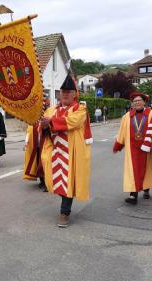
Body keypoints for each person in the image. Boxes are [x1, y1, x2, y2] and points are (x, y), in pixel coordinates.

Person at [39, 75, 92, 228]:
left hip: (71, 152)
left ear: (75, 94)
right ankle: (64, 205)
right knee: (54, 179)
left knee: (68, 181)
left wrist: (50, 122)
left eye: (69, 92)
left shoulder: (80, 109)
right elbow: (43, 126)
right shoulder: (50, 109)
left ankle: (65, 212)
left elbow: (72, 122)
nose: (65, 94)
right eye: (63, 92)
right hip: (54, 151)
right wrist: (42, 125)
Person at [113, 92, 152, 204]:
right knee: (132, 171)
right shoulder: (127, 117)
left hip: (147, 148)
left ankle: (146, 189)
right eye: (135, 101)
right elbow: (122, 132)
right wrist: (118, 145)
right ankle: (133, 195)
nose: (137, 102)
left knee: (147, 170)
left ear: (144, 102)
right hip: (132, 149)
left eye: (139, 100)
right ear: (132, 103)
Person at [23, 93, 51, 192]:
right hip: (36, 145)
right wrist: (26, 141)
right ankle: (42, 181)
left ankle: (47, 183)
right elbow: (29, 130)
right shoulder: (34, 118)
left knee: (45, 164)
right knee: (38, 163)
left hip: (46, 145)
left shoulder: (48, 115)